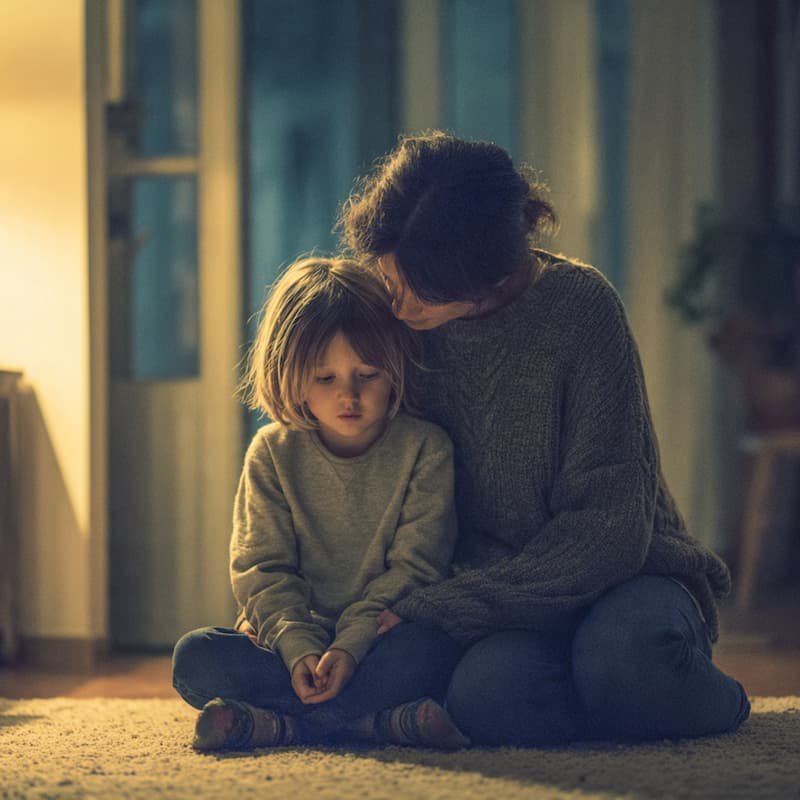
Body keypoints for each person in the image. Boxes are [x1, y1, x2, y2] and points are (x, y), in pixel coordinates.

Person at [337, 130, 751, 747]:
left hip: (624, 574)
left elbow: (608, 533)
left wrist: (447, 606)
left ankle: (700, 694)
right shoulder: (410, 319)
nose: (395, 304)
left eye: (415, 289)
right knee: (487, 695)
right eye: (388, 278)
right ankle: (612, 705)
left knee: (624, 664)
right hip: (504, 594)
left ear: (483, 273)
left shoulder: (583, 311)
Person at [172, 256, 469, 751]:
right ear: (290, 374)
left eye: (367, 374)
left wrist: (351, 645)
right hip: (290, 645)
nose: (348, 395)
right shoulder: (271, 452)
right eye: (325, 378)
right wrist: (296, 648)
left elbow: (419, 566)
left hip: (379, 639)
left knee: (434, 651)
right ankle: (369, 724)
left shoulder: (426, 447)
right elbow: (261, 570)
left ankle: (281, 725)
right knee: (196, 657)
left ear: (394, 368)